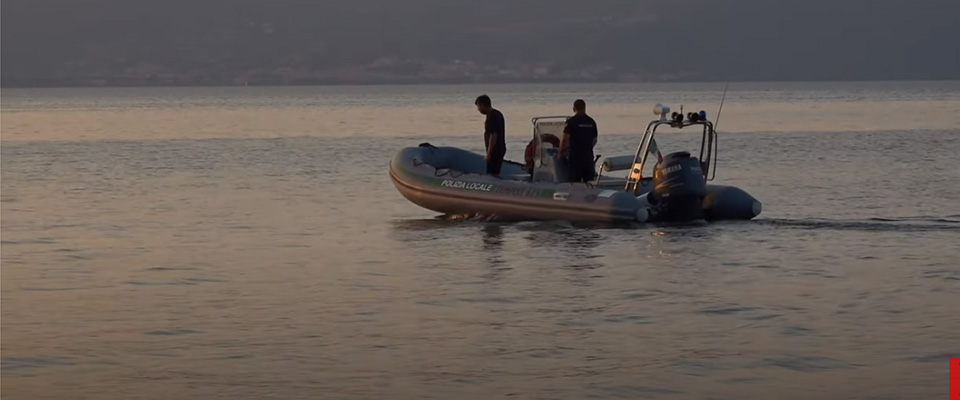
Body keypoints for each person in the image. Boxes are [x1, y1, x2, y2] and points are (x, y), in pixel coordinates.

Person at [558, 99, 598, 183]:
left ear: (573, 109)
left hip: (575, 157)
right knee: (589, 182)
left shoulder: (571, 122)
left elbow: (565, 139)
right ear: (585, 108)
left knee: (573, 182)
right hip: (588, 157)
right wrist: (587, 147)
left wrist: (560, 153)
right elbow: (594, 140)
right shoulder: (591, 122)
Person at [475, 94, 506, 177]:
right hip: (499, 148)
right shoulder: (497, 114)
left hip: (495, 149)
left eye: (478, 106)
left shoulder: (492, 117)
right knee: (495, 171)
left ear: (482, 105)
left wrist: (489, 154)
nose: (478, 109)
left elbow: (493, 136)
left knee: (492, 173)